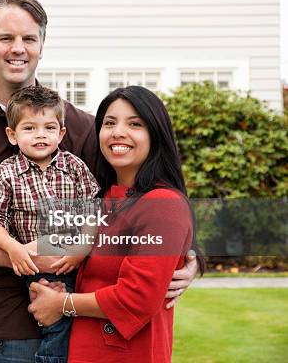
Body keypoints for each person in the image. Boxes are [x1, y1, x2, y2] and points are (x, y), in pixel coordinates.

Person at [0, 0, 198, 363]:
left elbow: (137, 197)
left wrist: (186, 259)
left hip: (38, 331)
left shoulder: (79, 129)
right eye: (5, 38)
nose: (18, 49)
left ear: (42, 46)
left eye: (29, 38)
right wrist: (21, 255)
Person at [28, 86, 201, 362]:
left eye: (135, 124)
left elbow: (136, 298)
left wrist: (62, 304)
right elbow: (58, 254)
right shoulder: (99, 197)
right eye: (109, 123)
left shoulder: (163, 205)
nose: (118, 132)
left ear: (156, 135)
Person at [0, 85, 99, 363]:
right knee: (55, 325)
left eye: (48, 128)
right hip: (35, 266)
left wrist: (80, 251)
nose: (40, 135)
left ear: (61, 133)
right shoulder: (8, 172)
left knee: (81, 326)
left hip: (78, 262)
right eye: (30, 128)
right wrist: (13, 249)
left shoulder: (74, 167)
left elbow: (93, 211)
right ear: (12, 135)